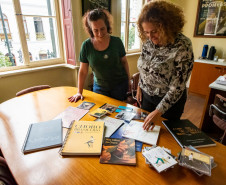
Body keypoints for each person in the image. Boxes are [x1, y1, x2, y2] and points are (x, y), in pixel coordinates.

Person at [136, 0, 194, 131]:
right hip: (146, 96)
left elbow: (178, 86)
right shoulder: (148, 42)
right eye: (146, 32)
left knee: (165, 138)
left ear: (167, 27)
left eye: (154, 31)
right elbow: (144, 67)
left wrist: (159, 111)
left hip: (169, 103)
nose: (150, 36)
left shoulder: (182, 45)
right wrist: (140, 85)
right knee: (145, 133)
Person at [68, 8, 130, 103]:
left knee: (118, 114)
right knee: (100, 114)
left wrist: (129, 81)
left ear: (107, 26)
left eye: (102, 29)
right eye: (95, 30)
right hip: (100, 87)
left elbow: (124, 62)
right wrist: (79, 92)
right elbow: (83, 71)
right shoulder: (86, 46)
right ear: (90, 30)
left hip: (119, 85)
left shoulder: (117, 42)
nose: (100, 34)